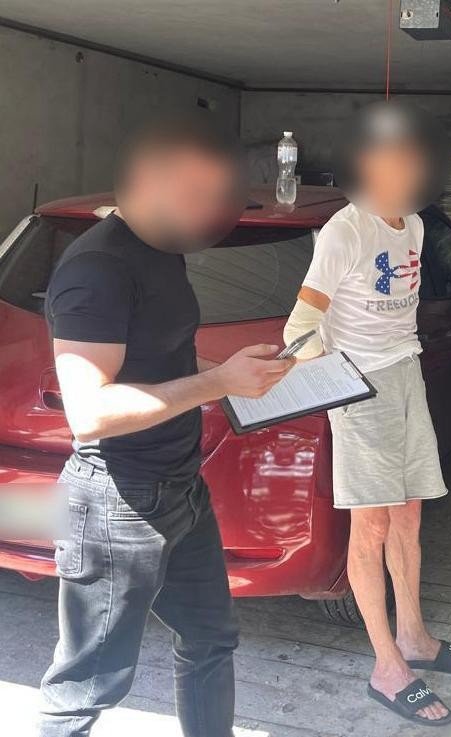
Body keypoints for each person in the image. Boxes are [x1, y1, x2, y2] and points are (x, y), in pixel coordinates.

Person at [40, 116, 295, 737]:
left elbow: (166, 356)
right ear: (146, 182)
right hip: (119, 501)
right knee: (87, 685)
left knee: (211, 639)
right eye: (197, 195)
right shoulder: (97, 269)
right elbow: (89, 412)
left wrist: (238, 373)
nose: (213, 212)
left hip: (181, 487)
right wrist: (220, 383)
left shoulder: (162, 250)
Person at [282, 102, 451, 727]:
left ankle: (414, 636)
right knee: (369, 527)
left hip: (405, 373)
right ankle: (387, 666)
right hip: (358, 384)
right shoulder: (346, 229)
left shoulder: (413, 225)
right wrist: (338, 387)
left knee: (410, 513)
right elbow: (300, 326)